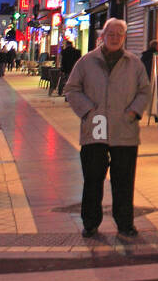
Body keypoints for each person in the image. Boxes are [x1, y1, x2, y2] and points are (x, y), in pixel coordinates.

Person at [63, 19, 151, 238]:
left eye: (119, 34)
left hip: (125, 130)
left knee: (124, 181)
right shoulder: (86, 61)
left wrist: (134, 112)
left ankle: (125, 223)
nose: (115, 38)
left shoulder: (134, 63)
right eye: (111, 33)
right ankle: (91, 223)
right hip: (96, 128)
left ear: (124, 37)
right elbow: (72, 89)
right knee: (93, 180)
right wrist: (87, 111)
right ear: (102, 36)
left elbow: (144, 91)